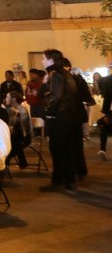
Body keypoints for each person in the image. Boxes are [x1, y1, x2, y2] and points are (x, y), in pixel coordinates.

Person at [40, 49, 79, 191]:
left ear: (51, 60)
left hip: (59, 116)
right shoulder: (66, 74)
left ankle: (58, 180)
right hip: (69, 115)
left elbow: (56, 96)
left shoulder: (55, 75)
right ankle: (69, 180)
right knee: (68, 149)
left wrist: (48, 110)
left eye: (44, 58)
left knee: (57, 149)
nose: (42, 61)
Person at [98, 67, 112, 161]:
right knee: (104, 126)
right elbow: (107, 97)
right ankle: (102, 150)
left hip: (110, 110)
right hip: (110, 110)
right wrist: (106, 113)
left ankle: (102, 150)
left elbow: (107, 96)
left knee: (105, 127)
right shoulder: (108, 79)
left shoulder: (108, 79)